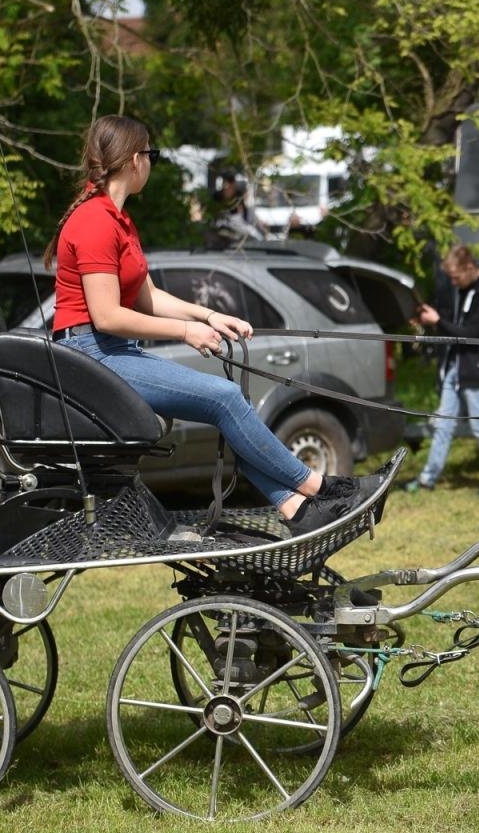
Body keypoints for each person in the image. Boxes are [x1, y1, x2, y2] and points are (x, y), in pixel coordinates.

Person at [45, 115, 378, 533]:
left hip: (109, 351)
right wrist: (186, 332)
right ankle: (320, 488)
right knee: (223, 397)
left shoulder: (118, 220)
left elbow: (148, 298)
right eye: (152, 154)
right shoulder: (94, 221)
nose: (151, 162)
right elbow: (107, 314)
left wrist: (208, 316)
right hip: (91, 357)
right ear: (135, 160)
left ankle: (295, 508)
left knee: (226, 404)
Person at [406, 247, 479, 496]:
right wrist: (425, 318)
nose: (453, 282)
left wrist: (438, 321)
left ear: (470, 268)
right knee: (443, 425)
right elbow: (449, 325)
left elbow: (470, 334)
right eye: (450, 278)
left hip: (475, 369)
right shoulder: (460, 291)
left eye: (456, 277)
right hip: (453, 368)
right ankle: (428, 478)